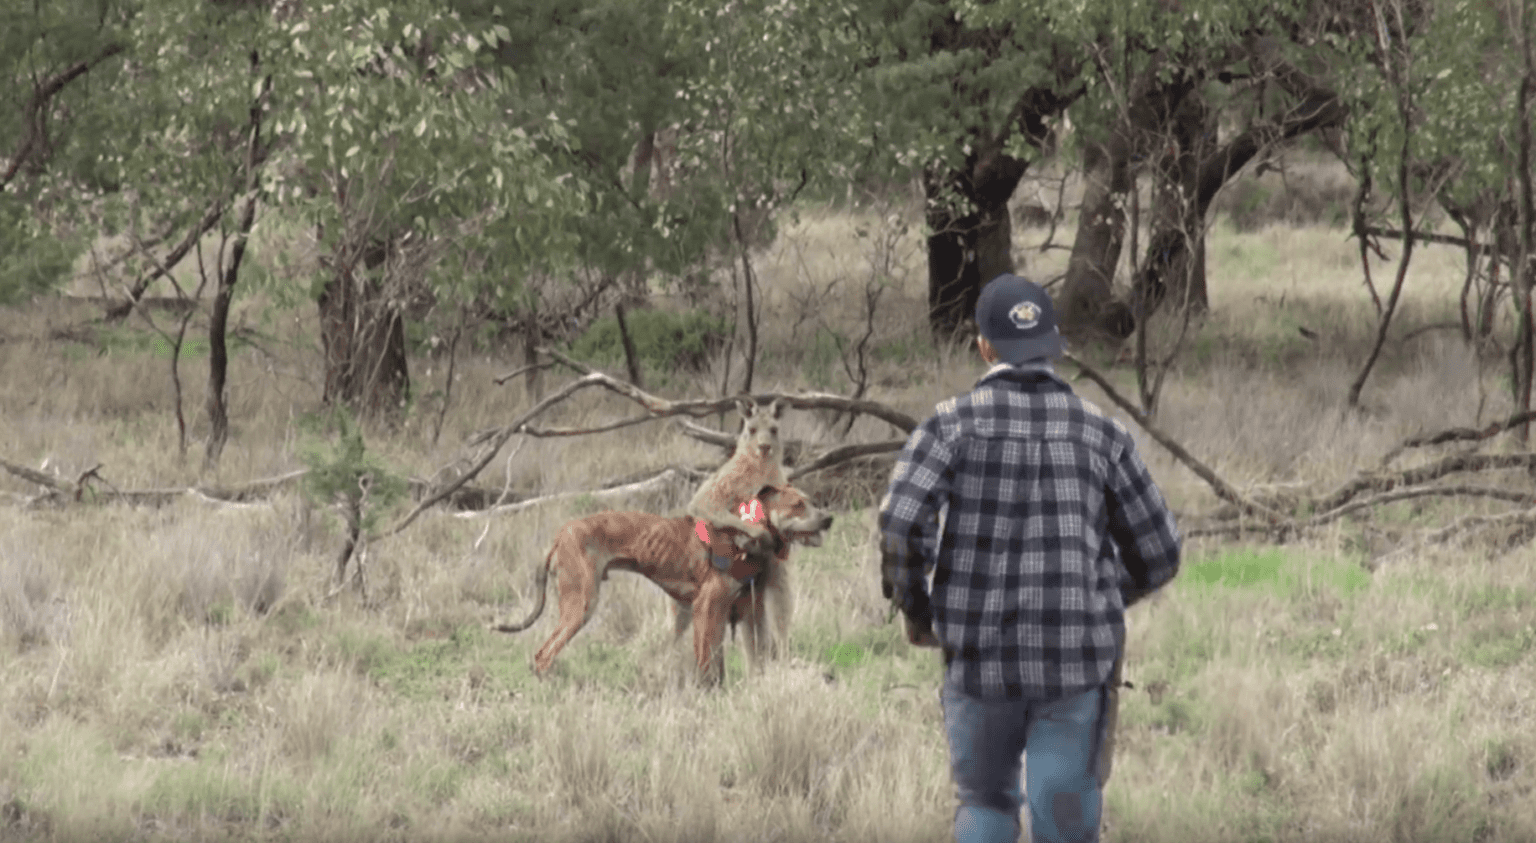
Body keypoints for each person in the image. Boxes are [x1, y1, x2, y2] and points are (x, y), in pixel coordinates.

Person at [878, 273, 1182, 843]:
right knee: (1063, 822)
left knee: (986, 806)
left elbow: (899, 522)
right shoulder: (1103, 435)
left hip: (977, 661)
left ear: (983, 347)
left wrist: (918, 612)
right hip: (1075, 667)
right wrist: (1099, 596)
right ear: (1055, 345)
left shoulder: (947, 426)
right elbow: (1160, 553)